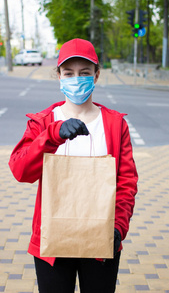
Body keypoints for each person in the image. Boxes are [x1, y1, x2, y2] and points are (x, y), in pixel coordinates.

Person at [9, 38, 138, 293]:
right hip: (53, 242)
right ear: (59, 76)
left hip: (101, 238)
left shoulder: (114, 124)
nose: (76, 79)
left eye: (85, 73)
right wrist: (52, 135)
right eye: (69, 73)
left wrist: (118, 227)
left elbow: (126, 181)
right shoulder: (43, 121)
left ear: (96, 75)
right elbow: (20, 171)